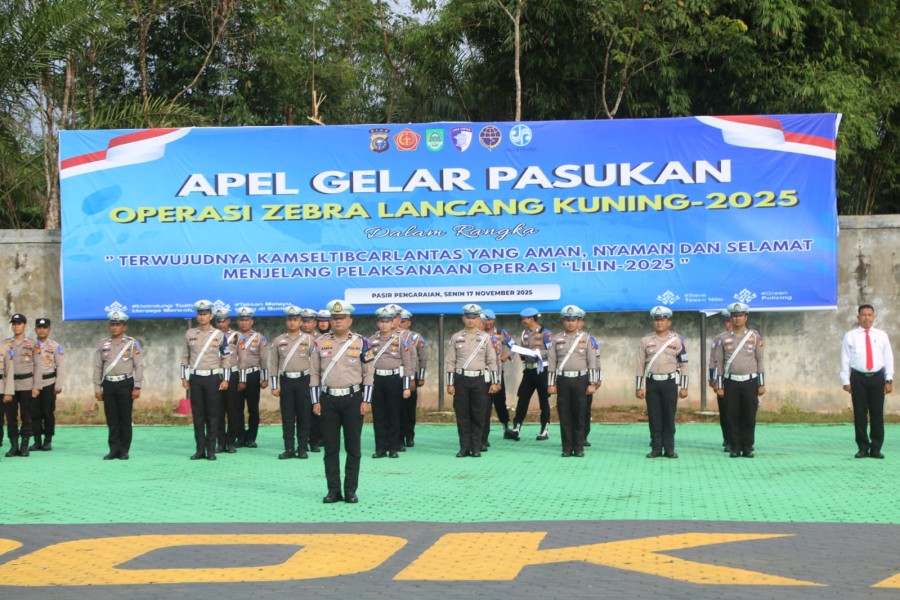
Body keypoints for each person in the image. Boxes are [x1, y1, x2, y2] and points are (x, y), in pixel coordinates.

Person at [311, 300, 373, 504]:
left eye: (342, 318)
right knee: (330, 447)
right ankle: (333, 491)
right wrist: (315, 401)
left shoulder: (361, 342)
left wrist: (367, 400)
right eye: (335, 318)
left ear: (350, 320)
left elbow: (368, 374)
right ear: (330, 320)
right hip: (328, 400)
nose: (338, 322)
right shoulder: (320, 342)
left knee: (353, 448)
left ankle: (350, 491)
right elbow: (314, 374)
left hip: (353, 400)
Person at [444, 303, 501, 457]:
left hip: (480, 380)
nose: (470, 320)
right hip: (461, 379)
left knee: (479, 414)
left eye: (474, 317)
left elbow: (492, 361)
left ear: (478, 319)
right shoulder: (456, 337)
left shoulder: (486, 338)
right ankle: (464, 448)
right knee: (462, 415)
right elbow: (450, 362)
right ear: (463, 318)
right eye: (468, 317)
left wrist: (495, 382)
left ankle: (476, 447)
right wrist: (450, 383)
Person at [840, 304, 894, 459]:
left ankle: (876, 448)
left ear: (874, 317)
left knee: (877, 414)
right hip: (858, 378)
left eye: (869, 315)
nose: (866, 318)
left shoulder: (882, 335)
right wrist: (845, 379)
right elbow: (845, 359)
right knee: (860, 414)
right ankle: (863, 447)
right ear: (858, 317)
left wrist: (889, 379)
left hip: (877, 378)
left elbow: (888, 358)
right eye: (863, 315)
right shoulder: (850, 336)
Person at [635, 306, 688, 458]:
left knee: (669, 416)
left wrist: (684, 387)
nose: (659, 323)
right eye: (657, 320)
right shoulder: (645, 341)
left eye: (662, 320)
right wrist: (639, 387)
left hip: (670, 383)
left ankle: (669, 449)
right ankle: (656, 448)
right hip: (652, 383)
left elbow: (684, 364)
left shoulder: (677, 341)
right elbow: (640, 365)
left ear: (669, 322)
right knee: (654, 416)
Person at [713, 302, 764, 458]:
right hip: (731, 382)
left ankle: (747, 447)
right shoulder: (722, 338)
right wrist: (720, 386)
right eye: (734, 316)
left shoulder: (755, 337)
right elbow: (719, 363)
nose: (737, 319)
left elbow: (760, 360)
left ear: (746, 317)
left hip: (750, 381)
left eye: (740, 316)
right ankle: (735, 447)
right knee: (732, 416)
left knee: (749, 415)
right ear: (731, 318)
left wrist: (761, 383)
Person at [181, 299, 230, 461]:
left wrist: (226, 379)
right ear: (197, 316)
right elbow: (185, 356)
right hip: (195, 379)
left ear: (210, 316)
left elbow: (226, 357)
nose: (202, 317)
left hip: (213, 379)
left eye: (205, 314)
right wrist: (184, 376)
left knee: (213, 415)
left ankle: (211, 450)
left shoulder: (219, 335)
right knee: (198, 415)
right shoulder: (190, 334)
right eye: (200, 314)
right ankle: (199, 449)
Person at [548, 305, 600, 457]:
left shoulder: (587, 339)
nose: (570, 323)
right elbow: (552, 362)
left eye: (574, 320)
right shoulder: (556, 339)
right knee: (564, 414)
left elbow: (592, 362)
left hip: (581, 379)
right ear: (563, 321)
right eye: (567, 320)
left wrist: (592, 383)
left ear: (579, 322)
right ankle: (566, 447)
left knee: (579, 413)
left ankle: (578, 447)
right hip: (563, 379)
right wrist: (551, 384)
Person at [93, 310, 144, 460]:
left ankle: (124, 450)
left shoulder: (132, 343)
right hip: (109, 384)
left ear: (124, 326)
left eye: (118, 324)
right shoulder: (102, 344)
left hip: (126, 384)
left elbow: (139, 366)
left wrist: (137, 386)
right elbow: (97, 367)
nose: (114, 327)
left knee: (125, 418)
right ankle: (113, 449)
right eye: (112, 324)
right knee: (112, 419)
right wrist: (97, 387)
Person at [270, 306, 316, 459]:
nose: (292, 322)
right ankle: (289, 448)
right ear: (286, 321)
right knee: (288, 416)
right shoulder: (278, 340)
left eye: (295, 319)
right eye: (289, 319)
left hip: (304, 380)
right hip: (286, 381)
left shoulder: (309, 340)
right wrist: (274, 385)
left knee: (304, 415)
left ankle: (302, 448)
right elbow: (274, 365)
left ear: (300, 321)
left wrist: (314, 384)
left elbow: (315, 364)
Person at [369, 306, 413, 458]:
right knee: (378, 415)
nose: (384, 325)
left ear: (392, 322)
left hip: (394, 380)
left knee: (394, 414)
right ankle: (380, 448)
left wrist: (406, 386)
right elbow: (367, 364)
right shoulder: (371, 340)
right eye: (381, 321)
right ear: (378, 323)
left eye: (387, 321)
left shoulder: (401, 341)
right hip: (377, 380)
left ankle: (393, 448)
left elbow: (407, 365)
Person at [503, 308, 553, 441]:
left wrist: (539, 353)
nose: (523, 321)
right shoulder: (524, 333)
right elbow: (520, 348)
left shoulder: (546, 333)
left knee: (543, 400)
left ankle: (544, 430)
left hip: (542, 370)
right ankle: (516, 428)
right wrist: (512, 354)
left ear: (532, 318)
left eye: (525, 319)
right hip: (528, 370)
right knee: (523, 398)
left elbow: (551, 351)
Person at [3, 314, 39, 457]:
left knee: (27, 415)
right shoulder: (5, 344)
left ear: (25, 325)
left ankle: (24, 445)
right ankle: (14, 446)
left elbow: (38, 366)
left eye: (19, 323)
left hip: (27, 384)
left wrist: (36, 386)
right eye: (14, 323)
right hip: (10, 386)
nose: (16, 326)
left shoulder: (32, 343)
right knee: (11, 416)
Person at [235, 306, 268, 452]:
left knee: (253, 408)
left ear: (252, 321)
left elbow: (264, 358)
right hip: (236, 375)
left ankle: (251, 438)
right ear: (238, 321)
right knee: (237, 408)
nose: (243, 323)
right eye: (241, 320)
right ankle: (240, 437)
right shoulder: (233, 336)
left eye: (246, 320)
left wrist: (265, 378)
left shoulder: (259, 338)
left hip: (253, 375)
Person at [31, 317, 64, 451]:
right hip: (33, 384)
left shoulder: (55, 346)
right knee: (34, 413)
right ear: (35, 329)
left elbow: (60, 366)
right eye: (39, 327)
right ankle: (37, 440)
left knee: (48, 412)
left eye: (44, 327)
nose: (42, 330)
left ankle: (48, 440)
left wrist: (58, 384)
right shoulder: (30, 345)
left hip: (49, 382)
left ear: (49, 329)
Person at [481, 308, 512, 446]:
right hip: (482, 373)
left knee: (500, 401)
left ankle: (506, 427)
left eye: (489, 320)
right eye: (485, 319)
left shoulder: (501, 333)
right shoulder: (477, 334)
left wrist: (507, 355)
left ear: (493, 320)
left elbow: (514, 345)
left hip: (498, 372)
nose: (487, 322)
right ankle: (483, 435)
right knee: (483, 405)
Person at [398, 308, 426, 449]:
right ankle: (398, 437)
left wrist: (419, 377)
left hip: (410, 376)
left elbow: (422, 358)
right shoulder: (391, 336)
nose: (400, 324)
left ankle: (409, 435)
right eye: (398, 321)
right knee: (397, 409)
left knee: (409, 408)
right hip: (396, 376)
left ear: (409, 323)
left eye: (403, 321)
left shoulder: (415, 337)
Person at [213, 308, 240, 453]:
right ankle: (220, 442)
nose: (221, 324)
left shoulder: (237, 336)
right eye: (218, 321)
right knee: (218, 411)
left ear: (229, 320)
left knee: (232, 410)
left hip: (233, 376)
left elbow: (242, 359)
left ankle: (231, 442)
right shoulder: (211, 336)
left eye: (223, 320)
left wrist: (242, 380)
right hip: (216, 376)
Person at [708, 309, 733, 451]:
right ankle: (728, 440)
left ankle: (743, 440)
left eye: (732, 320)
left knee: (742, 411)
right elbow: (713, 360)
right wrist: (712, 380)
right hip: (722, 380)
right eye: (727, 321)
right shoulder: (719, 339)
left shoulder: (750, 336)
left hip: (741, 378)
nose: (730, 324)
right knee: (725, 412)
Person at [577, 316, 602, 448]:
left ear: (582, 323)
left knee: (585, 409)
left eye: (578, 321)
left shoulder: (590, 340)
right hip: (569, 378)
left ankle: (583, 436)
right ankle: (571, 437)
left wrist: (598, 378)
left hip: (586, 378)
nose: (574, 323)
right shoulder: (561, 339)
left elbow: (597, 361)